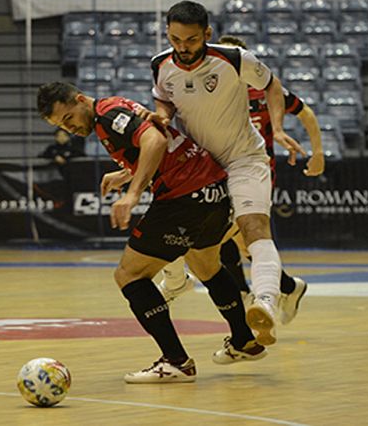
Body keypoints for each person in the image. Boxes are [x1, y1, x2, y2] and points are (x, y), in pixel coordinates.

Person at [37, 81, 267, 383]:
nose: (70, 129)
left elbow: (155, 142)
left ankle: (176, 361)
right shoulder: (113, 109)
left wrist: (132, 194)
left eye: (69, 119)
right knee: (206, 265)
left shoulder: (107, 116)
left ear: (80, 100)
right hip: (213, 190)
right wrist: (127, 173)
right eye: (61, 126)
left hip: (184, 197)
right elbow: (163, 147)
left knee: (129, 275)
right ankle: (244, 341)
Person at [136, 1, 308, 346]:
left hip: (245, 158)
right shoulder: (160, 64)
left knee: (253, 228)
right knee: (190, 234)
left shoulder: (232, 58)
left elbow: (272, 85)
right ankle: (280, 289)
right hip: (200, 166)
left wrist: (278, 126)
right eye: (175, 39)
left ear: (207, 34)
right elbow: (163, 99)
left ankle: (265, 301)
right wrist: (163, 116)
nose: (183, 48)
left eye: (191, 40)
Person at [160, 35, 324, 326]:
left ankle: (254, 296)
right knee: (237, 242)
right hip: (215, 168)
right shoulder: (212, 90)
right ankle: (283, 288)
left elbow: (306, 112)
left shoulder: (264, 90)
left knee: (235, 237)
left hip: (254, 167)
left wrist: (317, 152)